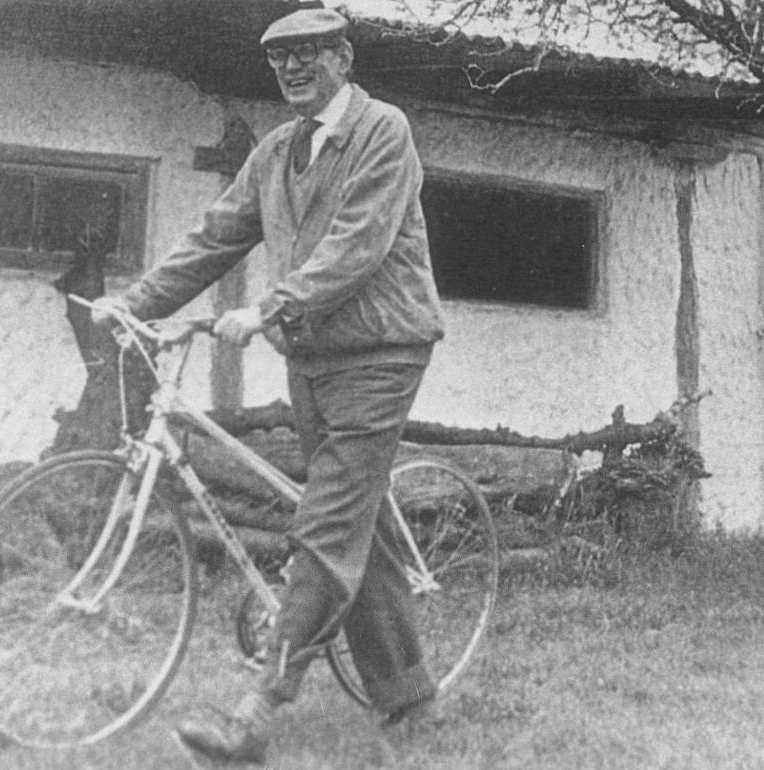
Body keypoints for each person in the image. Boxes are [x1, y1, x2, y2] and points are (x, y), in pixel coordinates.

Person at [92, 6, 445, 763]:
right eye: (280, 60)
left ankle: (257, 710)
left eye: (309, 55)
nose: (292, 70)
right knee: (356, 523)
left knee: (323, 526)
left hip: (382, 352)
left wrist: (267, 309)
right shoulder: (279, 150)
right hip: (313, 354)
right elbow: (216, 235)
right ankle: (409, 694)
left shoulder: (384, 131)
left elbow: (357, 246)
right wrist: (138, 301)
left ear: (343, 58)